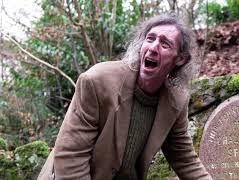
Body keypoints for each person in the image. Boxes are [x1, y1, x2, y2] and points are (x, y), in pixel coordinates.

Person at [38, 14, 212, 180]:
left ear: (180, 59)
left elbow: (184, 158)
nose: (152, 47)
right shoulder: (96, 81)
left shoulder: (176, 101)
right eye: (150, 39)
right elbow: (71, 156)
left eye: (164, 44)